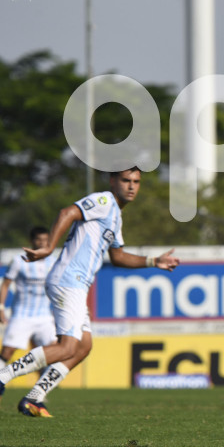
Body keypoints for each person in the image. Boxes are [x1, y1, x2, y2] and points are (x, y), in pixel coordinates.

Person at [0, 168, 180, 417]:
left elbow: (118, 257)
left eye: (136, 182)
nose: (131, 186)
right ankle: (4, 375)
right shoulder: (104, 200)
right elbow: (67, 212)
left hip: (77, 284)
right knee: (66, 347)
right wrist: (49, 247)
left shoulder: (116, 216)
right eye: (126, 180)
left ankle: (35, 396)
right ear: (112, 181)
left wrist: (153, 261)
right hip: (68, 280)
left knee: (83, 346)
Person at [0, 227, 59, 403]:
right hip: (22, 314)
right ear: (32, 241)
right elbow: (5, 284)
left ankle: (39, 393)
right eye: (39, 240)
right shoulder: (19, 261)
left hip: (44, 316)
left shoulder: (54, 261)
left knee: (54, 352)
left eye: (46, 240)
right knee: (7, 352)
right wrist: (1, 308)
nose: (42, 243)